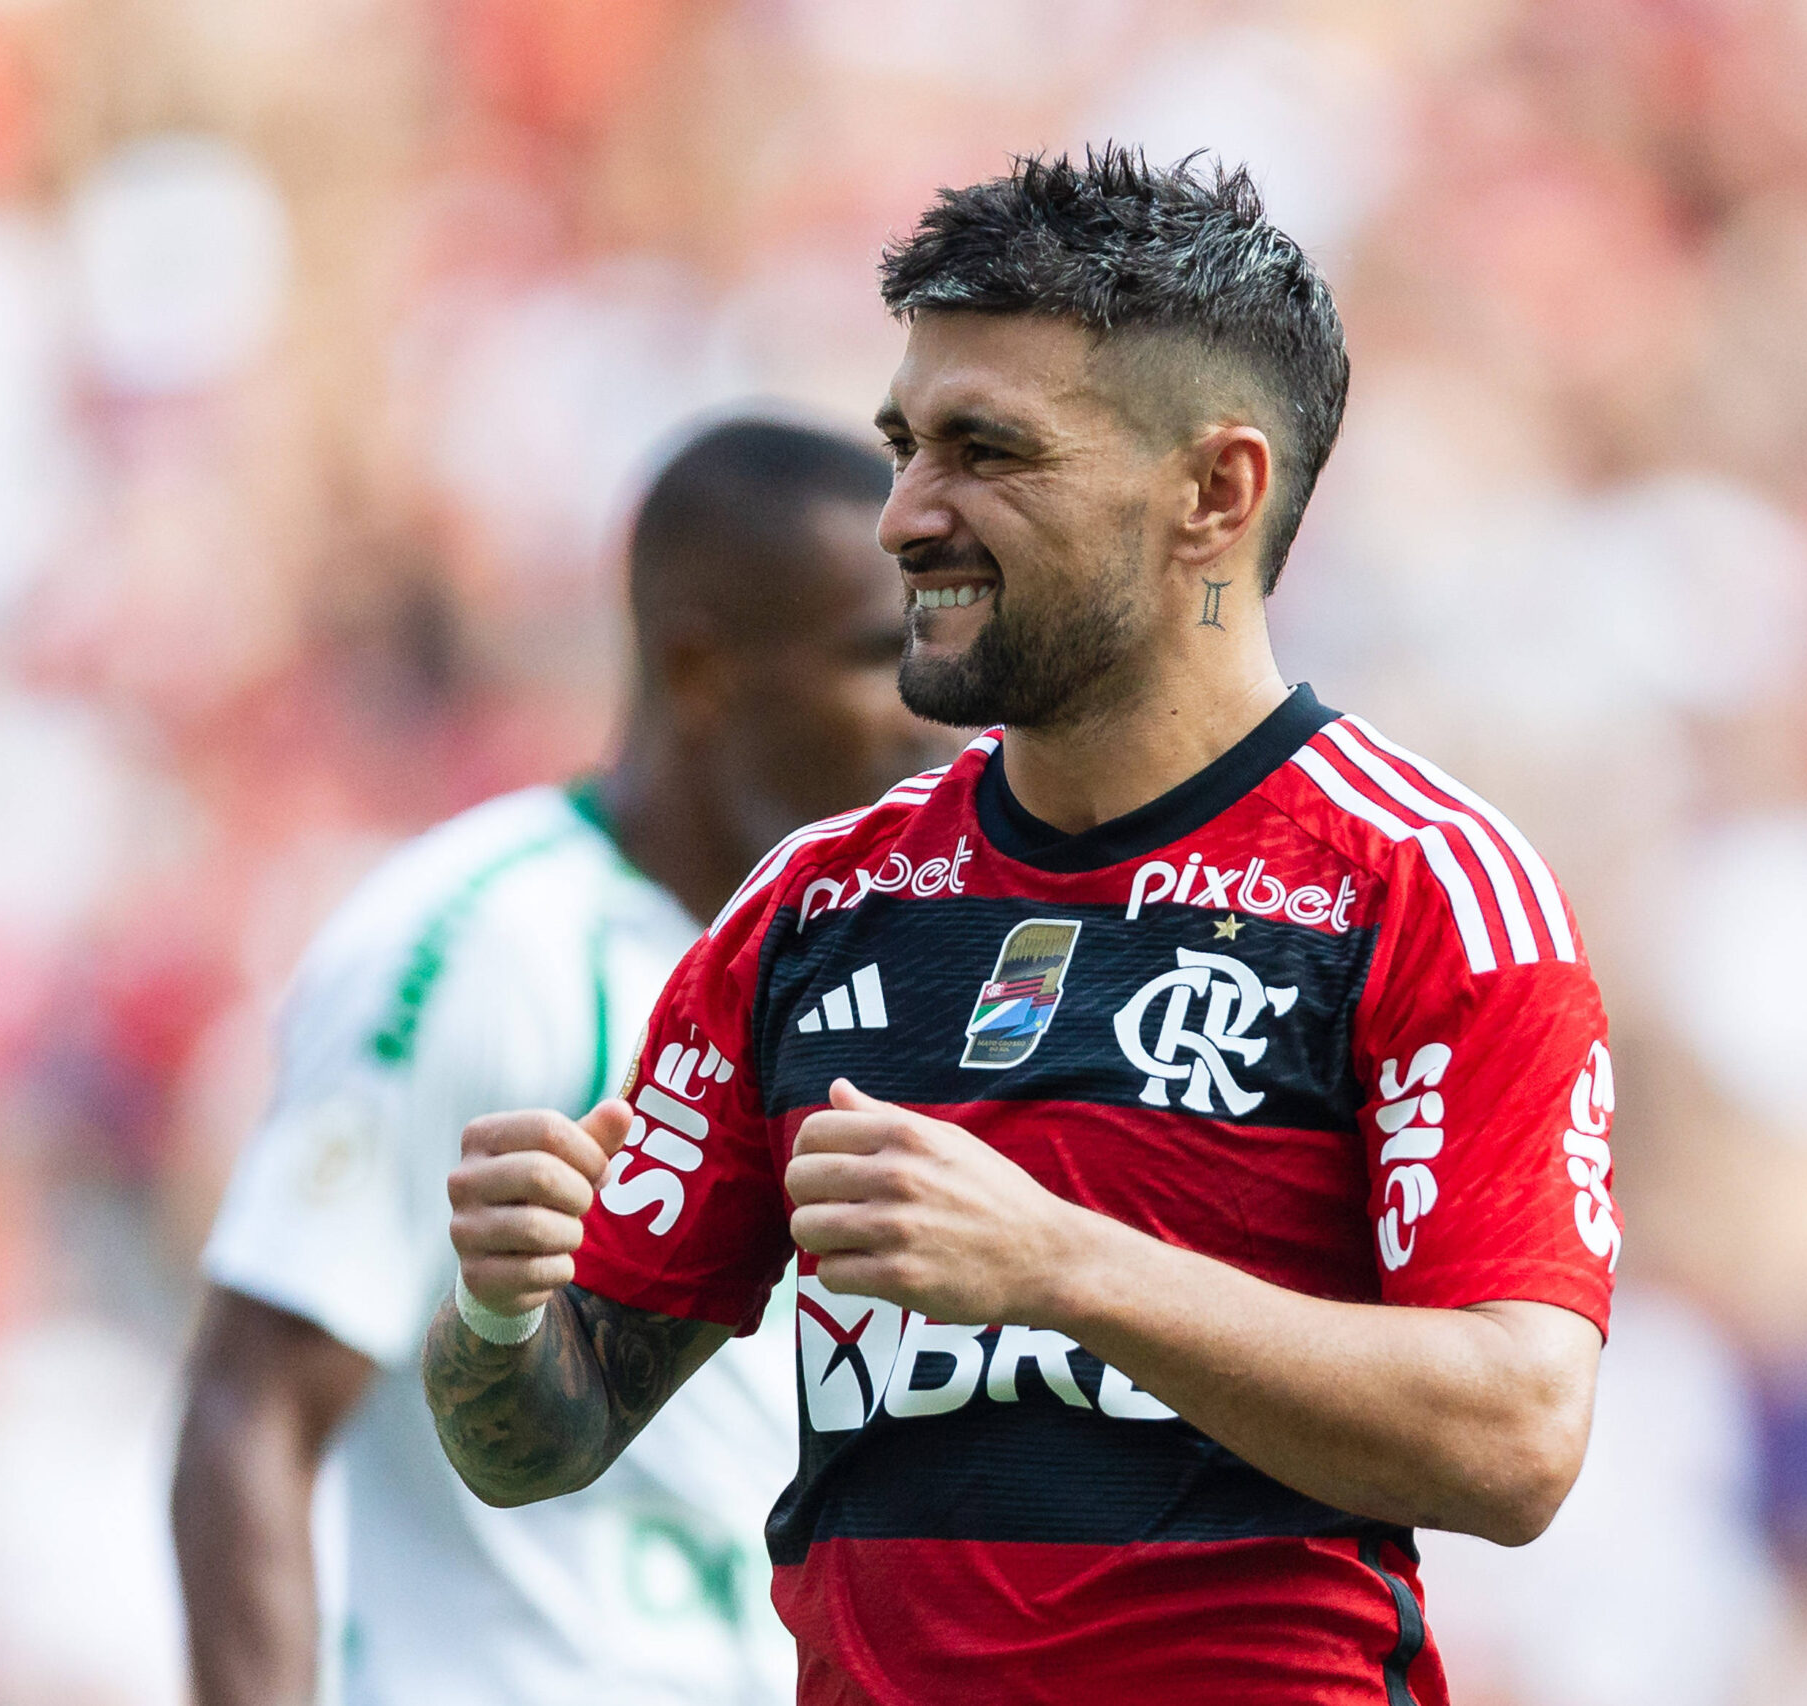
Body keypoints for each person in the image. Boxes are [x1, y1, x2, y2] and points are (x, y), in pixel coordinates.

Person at [426, 152, 1625, 1703]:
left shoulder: (1424, 891)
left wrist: (1062, 1264)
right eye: (904, 445)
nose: (904, 516)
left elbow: (1520, 1435)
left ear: (1216, 494)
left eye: (985, 451)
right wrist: (499, 1301)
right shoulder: (816, 907)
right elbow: (544, 1433)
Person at [173, 416, 953, 1706]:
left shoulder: (878, 949)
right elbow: (249, 1411)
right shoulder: (481, 940)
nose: (931, 710)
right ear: (699, 668)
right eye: (879, 656)